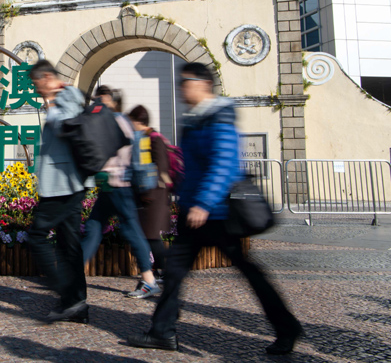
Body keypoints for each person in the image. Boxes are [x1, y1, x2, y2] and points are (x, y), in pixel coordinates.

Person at [128, 63, 302, 355]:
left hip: (216, 213)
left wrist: (204, 203)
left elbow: (223, 163)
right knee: (175, 273)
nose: (181, 88)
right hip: (195, 211)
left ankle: (287, 328)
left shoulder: (219, 117)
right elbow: (191, 166)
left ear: (203, 83)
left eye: (185, 82)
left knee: (249, 272)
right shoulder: (195, 119)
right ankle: (162, 331)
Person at [28, 59, 91, 323]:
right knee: (68, 245)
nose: (36, 90)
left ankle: (63, 288)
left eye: (36, 84)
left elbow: (66, 124)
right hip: (65, 184)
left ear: (45, 78)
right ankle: (75, 304)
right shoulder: (59, 97)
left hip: (65, 185)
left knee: (37, 234)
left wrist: (52, 102)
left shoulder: (68, 94)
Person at [81, 89, 160, 299]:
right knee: (93, 227)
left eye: (102, 98)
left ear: (112, 102)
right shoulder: (108, 120)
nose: (98, 102)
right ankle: (74, 274)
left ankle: (149, 280)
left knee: (131, 230)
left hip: (120, 184)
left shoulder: (118, 121)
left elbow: (125, 154)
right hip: (109, 186)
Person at [125, 105, 172, 297]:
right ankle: (158, 272)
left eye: (132, 121)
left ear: (138, 121)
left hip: (153, 198)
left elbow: (161, 167)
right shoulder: (144, 138)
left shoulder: (152, 139)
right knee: (149, 237)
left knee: (150, 237)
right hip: (147, 197)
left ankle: (158, 274)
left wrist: (150, 192)